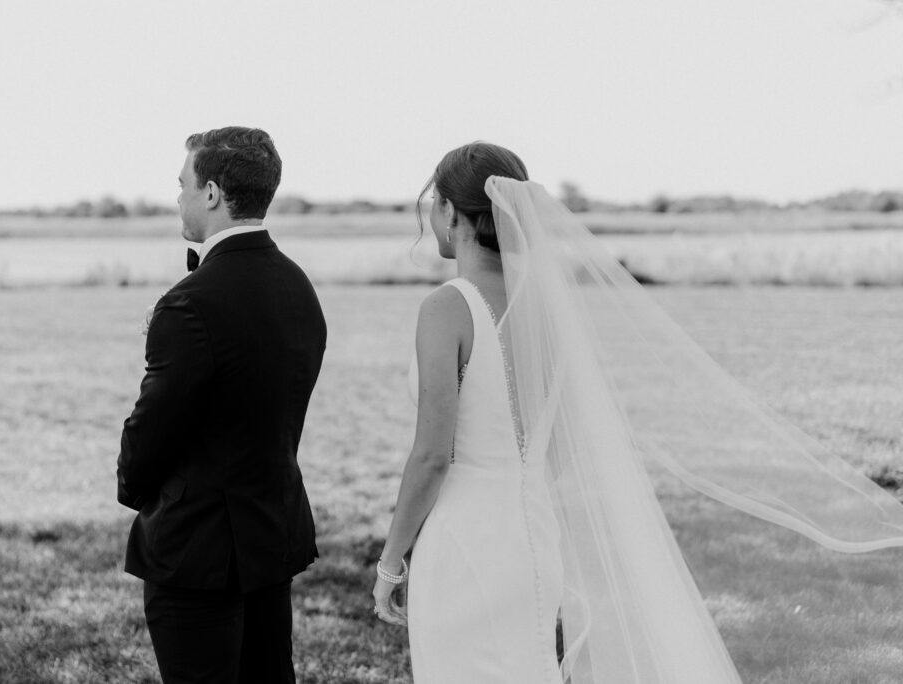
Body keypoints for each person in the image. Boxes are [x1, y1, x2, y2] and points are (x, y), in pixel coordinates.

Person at [373, 142, 903, 683]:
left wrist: (390, 563)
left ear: (449, 211)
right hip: (533, 539)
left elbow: (432, 457)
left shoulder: (446, 308)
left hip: (464, 543)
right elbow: (555, 451)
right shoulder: (546, 314)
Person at [117, 127, 326, 684]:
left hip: (196, 548)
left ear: (212, 193)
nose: (178, 198)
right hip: (269, 536)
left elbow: (151, 429)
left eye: (183, 184)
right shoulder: (298, 286)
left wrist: (134, 492)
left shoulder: (190, 302)